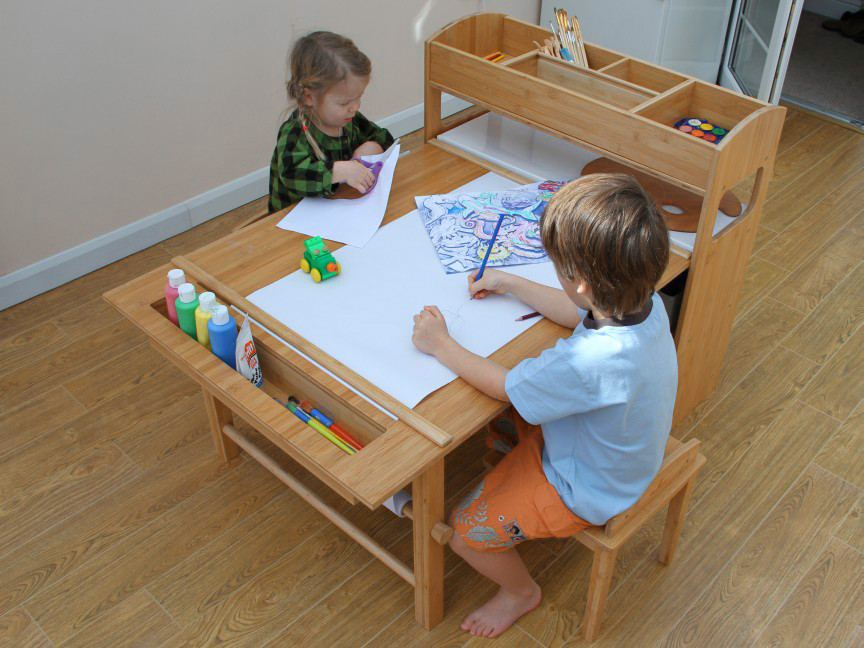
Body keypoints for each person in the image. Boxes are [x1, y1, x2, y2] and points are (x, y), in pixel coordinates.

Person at [411, 173, 678, 638]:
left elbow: (506, 386)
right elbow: (575, 308)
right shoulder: (643, 304)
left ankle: (520, 592)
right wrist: (511, 283)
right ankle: (513, 470)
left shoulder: (590, 360)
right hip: (624, 455)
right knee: (506, 424)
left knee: (464, 533)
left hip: (585, 486)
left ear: (580, 280)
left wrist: (441, 346)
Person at [268, 31, 394, 212]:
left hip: (339, 209)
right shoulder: (295, 131)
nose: (355, 107)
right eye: (344, 102)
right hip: (295, 221)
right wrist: (342, 171)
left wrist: (373, 146)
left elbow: (385, 138)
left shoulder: (350, 119)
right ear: (309, 97)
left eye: (359, 97)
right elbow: (291, 174)